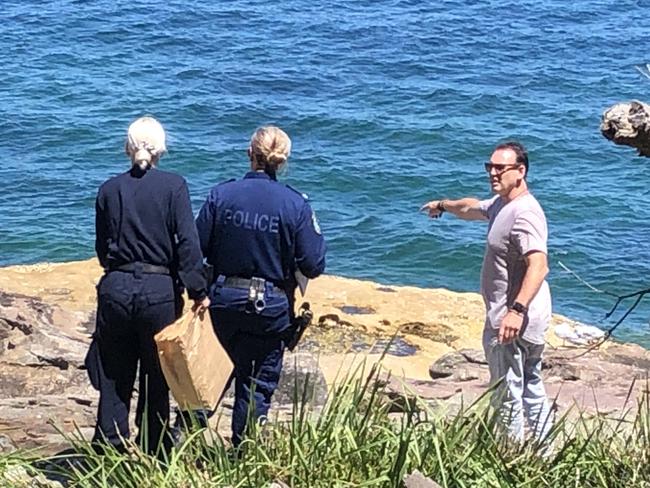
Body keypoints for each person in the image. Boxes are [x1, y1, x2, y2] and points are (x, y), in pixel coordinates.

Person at [195, 125, 326, 447]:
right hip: (269, 306)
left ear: (249, 155)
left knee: (206, 377)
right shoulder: (295, 204)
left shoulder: (221, 195)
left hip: (222, 300)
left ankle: (179, 445)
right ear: (282, 162)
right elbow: (314, 264)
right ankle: (245, 456)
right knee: (256, 384)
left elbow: (196, 248)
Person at [90, 116, 209, 455]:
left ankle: (108, 449)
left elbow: (102, 248)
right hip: (159, 290)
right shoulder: (174, 187)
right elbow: (188, 244)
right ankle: (153, 449)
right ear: (160, 149)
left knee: (114, 373)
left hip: (116, 286)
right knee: (156, 376)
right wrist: (198, 290)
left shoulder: (109, 189)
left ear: (129, 148)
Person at [421, 141, 553, 444]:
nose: (492, 173)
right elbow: (471, 207)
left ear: (520, 171)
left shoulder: (525, 213)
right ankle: (545, 454)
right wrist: (442, 205)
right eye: (489, 167)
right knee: (530, 385)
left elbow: (539, 265)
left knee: (506, 392)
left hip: (513, 320)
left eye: (500, 168)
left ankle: (511, 457)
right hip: (521, 316)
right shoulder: (502, 204)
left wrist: (514, 312)